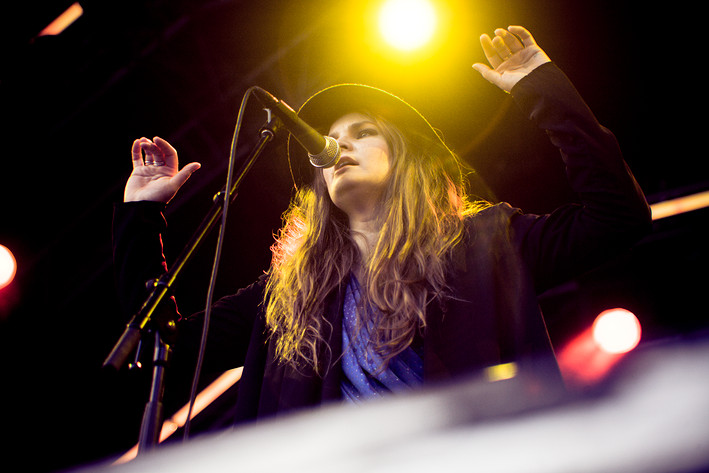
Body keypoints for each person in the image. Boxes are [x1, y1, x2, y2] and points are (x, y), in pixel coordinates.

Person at [113, 26, 650, 426]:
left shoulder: (488, 242)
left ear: (404, 157)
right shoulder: (287, 293)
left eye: (362, 131)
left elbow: (616, 217)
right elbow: (166, 346)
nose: (338, 144)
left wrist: (540, 89)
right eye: (329, 137)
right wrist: (142, 213)